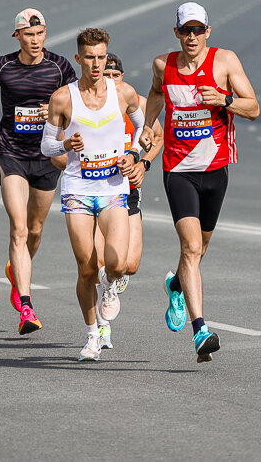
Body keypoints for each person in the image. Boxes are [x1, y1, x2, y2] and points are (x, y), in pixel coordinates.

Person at [140, 2, 260, 363]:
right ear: (176, 33)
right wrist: (147, 127)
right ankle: (200, 331)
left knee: (200, 249)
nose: (191, 36)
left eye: (198, 30)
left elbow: (253, 107)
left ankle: (176, 286)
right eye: (185, 30)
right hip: (177, 169)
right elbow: (157, 94)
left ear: (208, 31)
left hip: (216, 168)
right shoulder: (163, 64)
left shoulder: (225, 62)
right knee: (191, 248)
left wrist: (225, 100)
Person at [0, 9, 77, 335]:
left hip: (48, 157)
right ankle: (26, 306)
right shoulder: (2, 66)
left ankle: (17, 273)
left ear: (46, 34)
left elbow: (80, 103)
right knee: (18, 229)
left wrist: (57, 112)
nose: (35, 40)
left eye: (40, 34)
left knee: (34, 230)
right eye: (29, 35)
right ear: (17, 36)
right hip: (11, 153)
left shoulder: (59, 67)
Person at [41, 29, 145, 361]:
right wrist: (65, 144)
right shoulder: (62, 98)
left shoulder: (124, 93)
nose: (96, 64)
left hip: (114, 188)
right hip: (78, 190)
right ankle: (92, 335)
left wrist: (133, 156)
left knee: (116, 263)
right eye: (90, 57)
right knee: (86, 269)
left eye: (101, 56)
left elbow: (145, 130)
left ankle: (110, 284)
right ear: (79, 59)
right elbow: (46, 145)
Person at [89, 53, 164, 350]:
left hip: (127, 190)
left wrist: (143, 164)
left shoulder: (137, 103)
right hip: (94, 190)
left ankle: (112, 282)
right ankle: (101, 325)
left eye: (115, 75)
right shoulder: (89, 103)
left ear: (122, 76)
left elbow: (157, 136)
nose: (110, 80)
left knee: (129, 265)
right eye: (105, 74)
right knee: (95, 261)